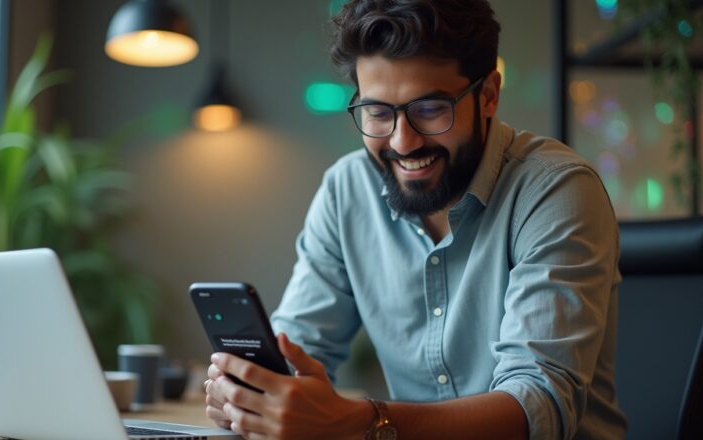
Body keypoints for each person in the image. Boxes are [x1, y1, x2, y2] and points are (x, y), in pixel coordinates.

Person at [203, 0, 627, 438]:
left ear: (489, 96)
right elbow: (298, 346)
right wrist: (255, 393)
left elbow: (537, 405)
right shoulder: (347, 190)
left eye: (430, 109)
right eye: (378, 113)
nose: (403, 142)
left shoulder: (556, 190)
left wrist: (365, 420)